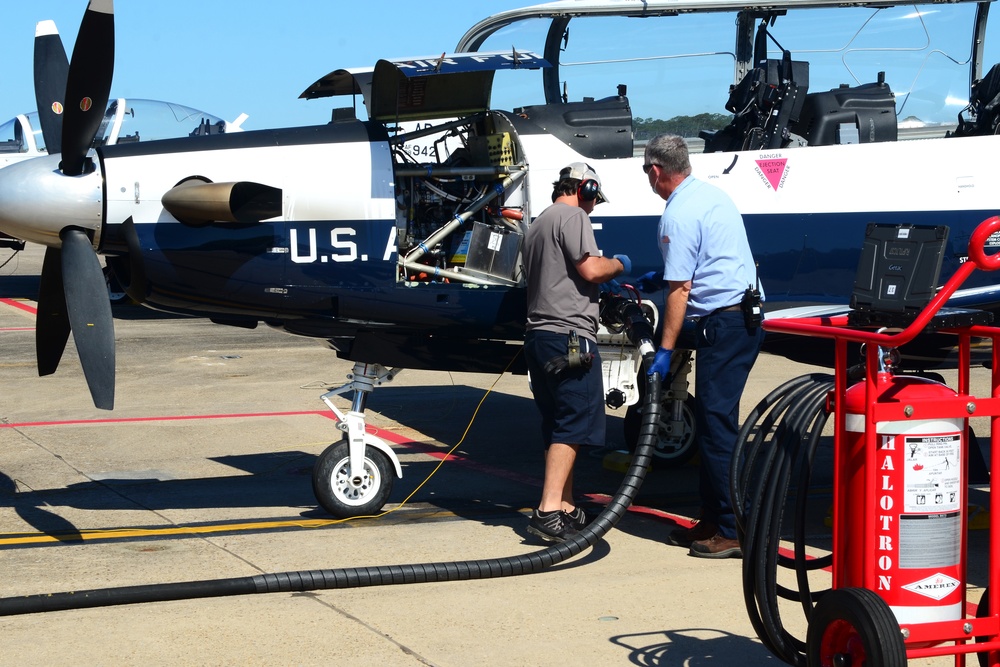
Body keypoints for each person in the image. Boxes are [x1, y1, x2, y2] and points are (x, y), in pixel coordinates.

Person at [642, 134, 765, 559]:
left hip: (725, 323)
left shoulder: (676, 214)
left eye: (646, 171)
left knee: (717, 429)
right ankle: (712, 519)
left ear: (657, 170)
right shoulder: (711, 195)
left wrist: (665, 349)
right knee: (716, 425)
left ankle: (734, 528)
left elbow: (681, 291)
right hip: (741, 317)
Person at [522, 162, 630, 543]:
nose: (594, 207)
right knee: (575, 422)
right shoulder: (572, 216)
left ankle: (566, 506)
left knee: (557, 423)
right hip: (569, 337)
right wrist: (619, 264)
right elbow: (590, 269)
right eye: (594, 198)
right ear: (584, 188)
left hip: (539, 338)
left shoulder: (538, 223)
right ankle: (548, 510)